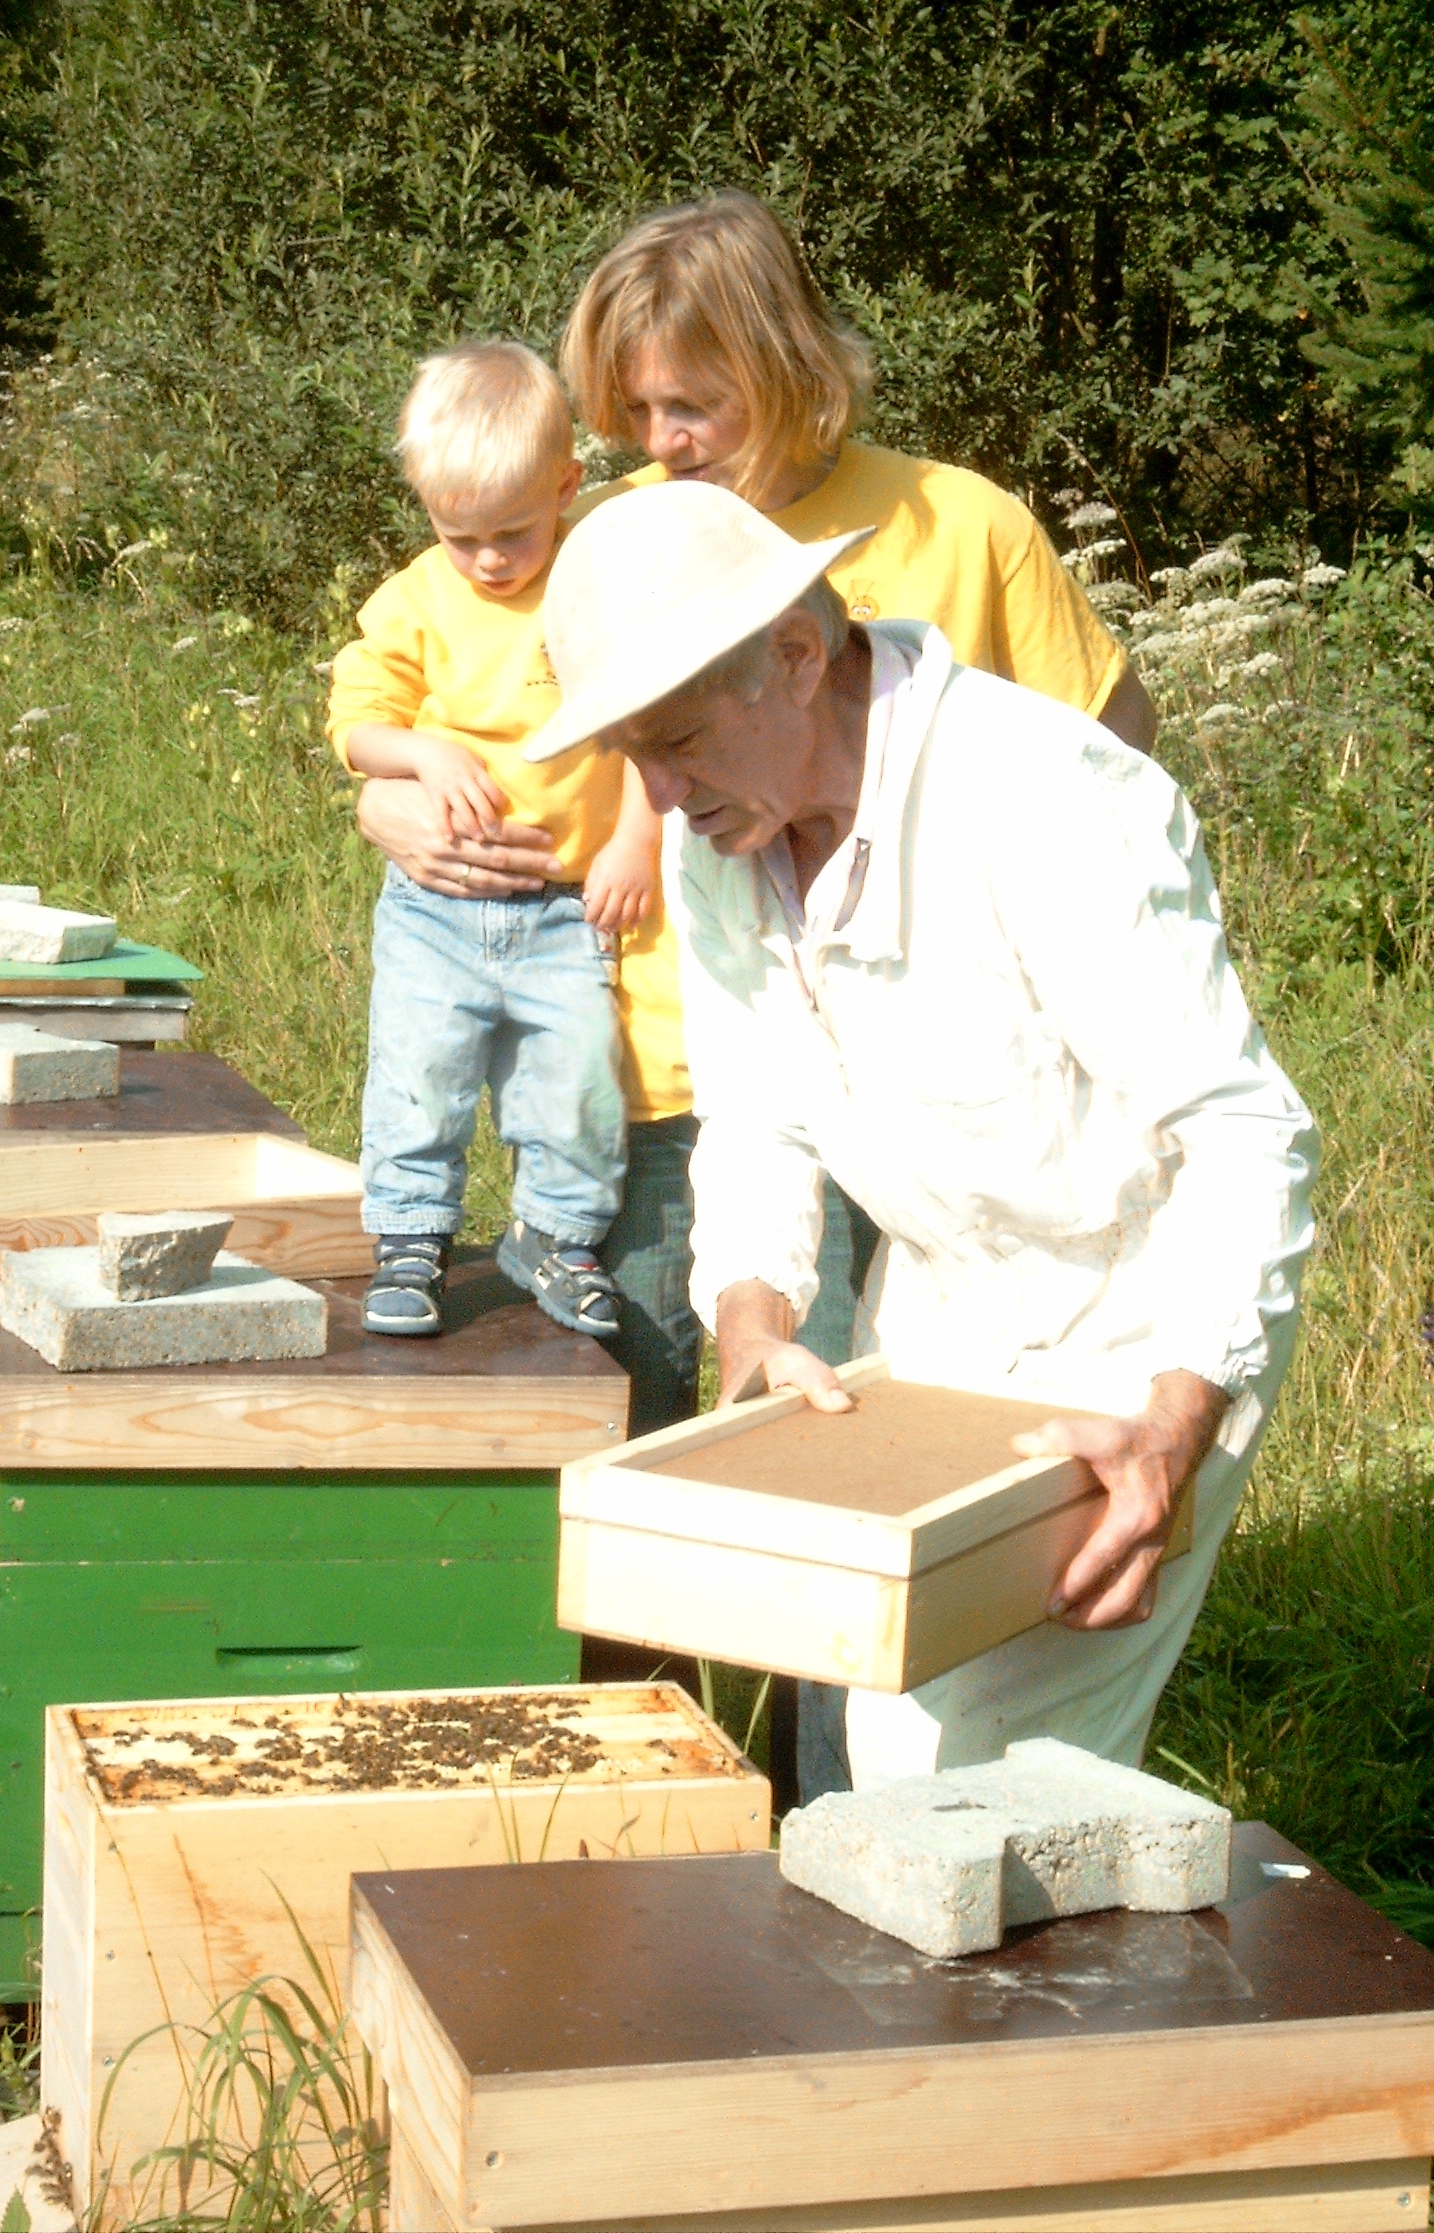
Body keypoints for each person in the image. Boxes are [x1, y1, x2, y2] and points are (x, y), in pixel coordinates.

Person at [526, 476, 1317, 1780]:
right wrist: (754, 1334)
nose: (656, 798)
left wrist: (1174, 1431)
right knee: (894, 1735)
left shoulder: (1044, 796)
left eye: (674, 741)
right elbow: (755, 1115)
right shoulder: (716, 835)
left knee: (999, 1780)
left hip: (1143, 1302)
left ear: (794, 655)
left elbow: (1243, 1137)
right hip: (941, 1304)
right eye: (629, 757)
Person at [355, 192, 1161, 1437]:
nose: (660, 442)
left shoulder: (964, 525)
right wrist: (385, 802)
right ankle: (647, 1652)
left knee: (840, 1441)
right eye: (634, 412)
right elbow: (502, 722)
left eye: (692, 406)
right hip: (674, 1061)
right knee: (627, 1417)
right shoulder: (616, 541)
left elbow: (1115, 764)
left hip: (941, 1091)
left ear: (788, 367)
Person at [325, 342, 659, 1339]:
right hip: (435, 911)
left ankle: (554, 1238)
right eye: (459, 533)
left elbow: (645, 718)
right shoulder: (419, 597)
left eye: (512, 531)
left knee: (578, 1083)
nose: (488, 560)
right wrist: (422, 754)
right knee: (419, 1074)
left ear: (565, 486)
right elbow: (356, 726)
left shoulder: (594, 581)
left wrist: (635, 841)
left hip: (563, 907)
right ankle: (410, 1240)